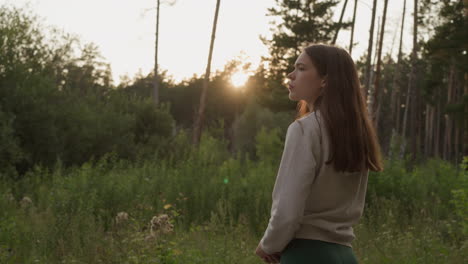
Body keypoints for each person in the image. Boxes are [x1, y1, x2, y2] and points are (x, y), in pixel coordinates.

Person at [254, 43, 384, 264]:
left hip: (306, 254)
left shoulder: (304, 129)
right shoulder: (356, 135)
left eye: (302, 68)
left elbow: (288, 210)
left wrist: (268, 245)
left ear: (325, 79)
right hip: (345, 256)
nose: (291, 74)